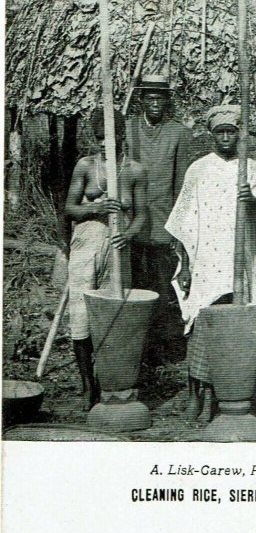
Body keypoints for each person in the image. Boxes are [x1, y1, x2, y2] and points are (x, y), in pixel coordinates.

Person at [165, 104, 256, 423]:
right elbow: (184, 217)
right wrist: (183, 264)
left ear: (240, 135)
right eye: (220, 132)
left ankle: (222, 395)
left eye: (231, 132)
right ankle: (197, 394)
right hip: (205, 258)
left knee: (233, 321)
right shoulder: (198, 168)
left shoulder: (251, 168)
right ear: (211, 135)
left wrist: (249, 197)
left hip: (237, 255)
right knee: (201, 322)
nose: (226, 137)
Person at [64, 108, 148, 410]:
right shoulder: (85, 167)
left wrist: (129, 235)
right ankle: (89, 387)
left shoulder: (135, 170)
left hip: (118, 247)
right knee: (81, 316)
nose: (103, 144)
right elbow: (70, 208)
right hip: (87, 244)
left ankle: (113, 380)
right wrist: (95, 208)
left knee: (113, 311)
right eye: (99, 138)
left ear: (122, 137)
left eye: (110, 138)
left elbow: (142, 216)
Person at [126, 74, 194, 359]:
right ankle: (139, 347)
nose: (156, 103)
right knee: (135, 283)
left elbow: (181, 183)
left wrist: (179, 227)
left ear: (168, 101)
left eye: (161, 98)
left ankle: (165, 347)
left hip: (164, 220)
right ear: (141, 100)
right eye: (150, 97)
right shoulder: (128, 130)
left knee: (163, 285)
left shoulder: (178, 133)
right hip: (132, 220)